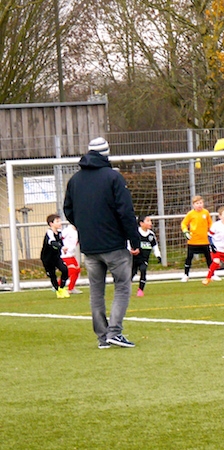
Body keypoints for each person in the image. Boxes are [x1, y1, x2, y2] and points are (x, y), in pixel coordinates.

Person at [64, 137, 141, 349]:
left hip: (89, 246)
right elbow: (125, 211)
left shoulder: (75, 180)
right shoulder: (113, 177)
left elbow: (68, 210)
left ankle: (102, 337)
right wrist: (134, 239)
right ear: (106, 153)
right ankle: (114, 332)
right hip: (114, 244)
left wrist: (84, 227)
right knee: (122, 287)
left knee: (96, 291)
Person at [180, 195, 219, 282]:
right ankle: (186, 275)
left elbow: (210, 224)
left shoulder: (206, 212)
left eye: (201, 203)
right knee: (189, 258)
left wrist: (212, 233)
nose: (199, 205)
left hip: (205, 241)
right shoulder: (190, 214)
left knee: (209, 258)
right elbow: (184, 223)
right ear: (193, 205)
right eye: (197, 203)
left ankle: (212, 274)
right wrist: (186, 231)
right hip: (193, 241)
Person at [131, 215, 161, 297]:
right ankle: (126, 288)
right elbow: (128, 242)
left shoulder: (151, 235)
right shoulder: (135, 233)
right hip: (134, 258)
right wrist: (130, 250)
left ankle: (140, 290)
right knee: (132, 273)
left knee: (143, 270)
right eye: (148, 221)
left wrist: (158, 255)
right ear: (141, 223)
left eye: (150, 221)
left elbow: (155, 246)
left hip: (144, 259)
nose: (150, 223)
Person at [41, 214, 69, 298]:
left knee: (65, 270)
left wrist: (63, 248)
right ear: (51, 224)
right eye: (57, 221)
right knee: (52, 275)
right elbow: (52, 242)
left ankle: (62, 288)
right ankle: (57, 290)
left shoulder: (59, 233)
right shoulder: (49, 233)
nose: (60, 223)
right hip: (47, 258)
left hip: (56, 257)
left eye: (59, 221)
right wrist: (62, 247)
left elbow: (60, 242)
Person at [60, 222, 82, 295]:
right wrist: (62, 247)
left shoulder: (78, 231)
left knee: (77, 270)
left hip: (71, 254)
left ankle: (71, 288)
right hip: (64, 254)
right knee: (72, 270)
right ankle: (58, 284)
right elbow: (59, 239)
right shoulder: (67, 230)